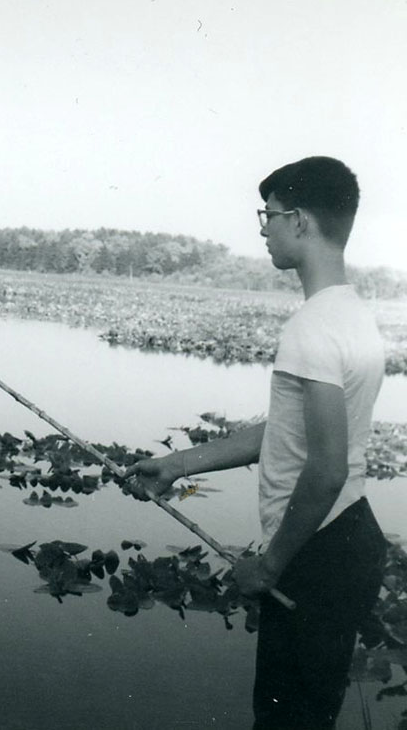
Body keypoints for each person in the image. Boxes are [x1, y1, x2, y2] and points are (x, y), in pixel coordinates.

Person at [129, 156, 387, 729]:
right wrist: (178, 463)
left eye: (267, 215)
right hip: (348, 537)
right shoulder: (352, 315)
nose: (263, 228)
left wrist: (269, 566)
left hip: (314, 551)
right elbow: (289, 435)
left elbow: (324, 471)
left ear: (298, 221)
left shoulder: (312, 327)